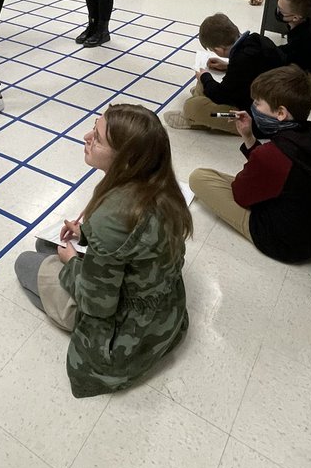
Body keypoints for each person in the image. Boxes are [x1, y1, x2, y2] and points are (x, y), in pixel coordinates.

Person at [14, 105, 190, 398]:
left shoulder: (113, 215)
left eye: (97, 138)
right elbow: (137, 246)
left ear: (125, 159)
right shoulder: (163, 188)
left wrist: (71, 261)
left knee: (26, 262)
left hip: (127, 332)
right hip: (165, 308)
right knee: (46, 245)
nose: (85, 137)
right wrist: (86, 236)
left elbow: (97, 304)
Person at [189, 65, 311, 263]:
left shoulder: (272, 155)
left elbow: (241, 195)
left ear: (280, 113)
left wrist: (257, 157)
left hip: (286, 244)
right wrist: (249, 137)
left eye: (258, 103)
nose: (253, 107)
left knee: (199, 177)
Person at [164, 12, 282, 132]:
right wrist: (227, 66)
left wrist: (205, 77)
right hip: (270, 106)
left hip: (256, 122)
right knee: (202, 86)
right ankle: (201, 105)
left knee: (192, 106)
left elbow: (221, 96)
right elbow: (252, 68)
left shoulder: (240, 62)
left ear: (218, 49)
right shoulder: (257, 39)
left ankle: (193, 119)